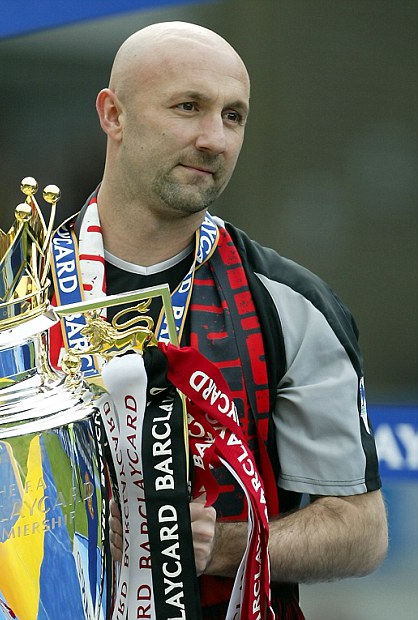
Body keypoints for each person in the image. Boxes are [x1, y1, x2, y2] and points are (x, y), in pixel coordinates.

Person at [47, 21, 387, 619]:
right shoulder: (8, 292)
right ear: (113, 114)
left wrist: (222, 546)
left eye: (234, 116)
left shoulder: (290, 303)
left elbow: (362, 530)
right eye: (188, 107)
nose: (215, 139)